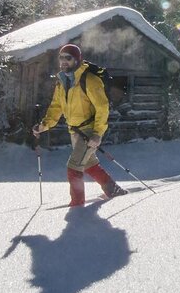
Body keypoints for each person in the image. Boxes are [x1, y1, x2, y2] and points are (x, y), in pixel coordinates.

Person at [32, 43, 127, 207]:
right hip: (74, 131)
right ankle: (114, 190)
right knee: (89, 164)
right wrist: (43, 125)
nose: (63, 61)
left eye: (68, 58)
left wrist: (97, 134)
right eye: (61, 58)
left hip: (89, 131)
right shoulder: (62, 82)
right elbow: (56, 107)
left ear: (77, 60)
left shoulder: (90, 80)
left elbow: (102, 108)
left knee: (74, 167)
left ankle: (77, 207)